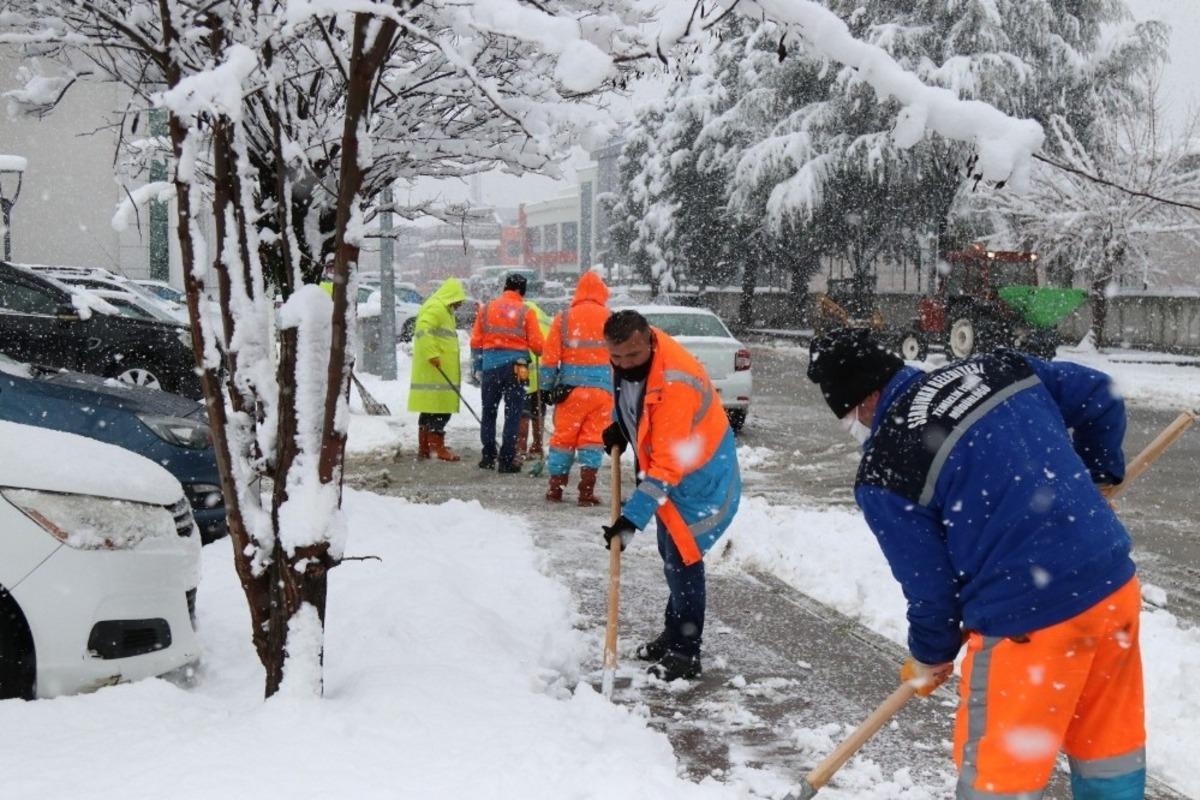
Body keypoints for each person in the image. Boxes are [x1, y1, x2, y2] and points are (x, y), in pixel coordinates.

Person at [805, 327, 1144, 800]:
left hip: (1027, 622)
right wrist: (1100, 477)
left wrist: (931, 654)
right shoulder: (997, 368)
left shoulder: (886, 466)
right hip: (1112, 588)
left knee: (998, 781)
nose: (853, 427)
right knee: (1108, 749)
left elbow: (932, 591)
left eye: (849, 416)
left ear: (869, 398)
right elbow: (1101, 394)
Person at [600, 310, 740, 681]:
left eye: (633, 355)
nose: (625, 364)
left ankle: (686, 652)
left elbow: (666, 465)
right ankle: (674, 633)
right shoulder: (629, 360)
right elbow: (637, 405)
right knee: (670, 555)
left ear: (649, 339)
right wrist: (621, 428)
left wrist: (630, 521)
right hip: (673, 478)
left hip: (701, 480)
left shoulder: (675, 381)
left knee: (684, 561)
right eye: (617, 357)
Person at [539, 271, 613, 505]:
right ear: (602, 293)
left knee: (564, 438)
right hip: (602, 392)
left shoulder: (564, 318)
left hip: (570, 392)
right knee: (593, 439)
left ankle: (556, 488)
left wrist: (545, 387)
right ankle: (586, 491)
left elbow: (550, 358)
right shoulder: (611, 319)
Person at [470, 273, 544, 473]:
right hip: (519, 367)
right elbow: (538, 346)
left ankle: (488, 456)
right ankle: (507, 459)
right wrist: (538, 349)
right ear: (521, 290)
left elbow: (475, 341)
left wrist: (478, 365)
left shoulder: (486, 309)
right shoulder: (526, 311)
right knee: (514, 412)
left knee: (489, 411)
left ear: (505, 287)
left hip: (491, 367)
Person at [407, 277, 467, 461]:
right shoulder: (436, 307)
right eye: (458, 300)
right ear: (451, 296)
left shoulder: (444, 309)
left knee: (430, 410)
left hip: (437, 370)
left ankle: (425, 447)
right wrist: (432, 354)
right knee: (440, 411)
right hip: (436, 370)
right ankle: (437, 448)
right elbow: (423, 329)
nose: (459, 305)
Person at [518, 298, 552, 461]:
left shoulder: (520, 314)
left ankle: (521, 447)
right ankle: (537, 445)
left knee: (522, 410)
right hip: (542, 369)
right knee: (538, 408)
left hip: (523, 366)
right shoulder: (544, 317)